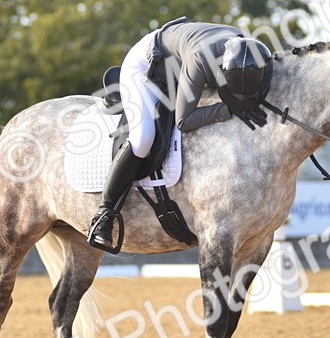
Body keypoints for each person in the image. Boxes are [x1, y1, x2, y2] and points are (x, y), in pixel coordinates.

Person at [87, 18, 273, 251]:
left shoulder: (256, 54)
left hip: (180, 56)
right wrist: (228, 109)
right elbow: (184, 120)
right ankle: (104, 214)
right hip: (146, 67)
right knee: (143, 137)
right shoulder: (200, 61)